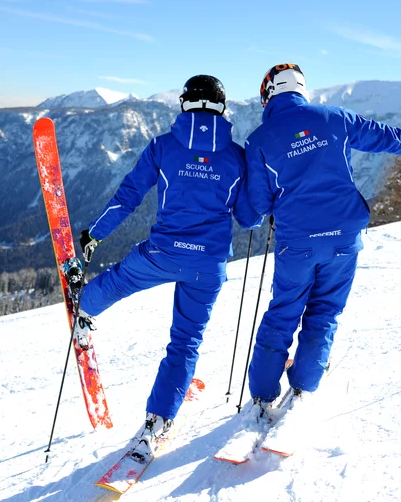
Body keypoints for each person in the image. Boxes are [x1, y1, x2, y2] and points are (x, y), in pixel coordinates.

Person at [244, 63, 401, 417]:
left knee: (283, 313)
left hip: (298, 242)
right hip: (344, 236)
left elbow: (256, 209)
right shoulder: (335, 117)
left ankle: (263, 394)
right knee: (324, 312)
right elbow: (386, 136)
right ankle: (304, 386)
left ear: (268, 94)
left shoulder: (259, 141)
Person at [75, 75, 262, 456]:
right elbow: (248, 218)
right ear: (222, 108)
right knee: (185, 343)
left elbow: (127, 197)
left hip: (161, 255)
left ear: (185, 104)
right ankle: (158, 421)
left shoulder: (163, 147)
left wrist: (95, 233)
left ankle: (84, 308)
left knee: (118, 281)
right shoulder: (237, 156)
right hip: (207, 267)